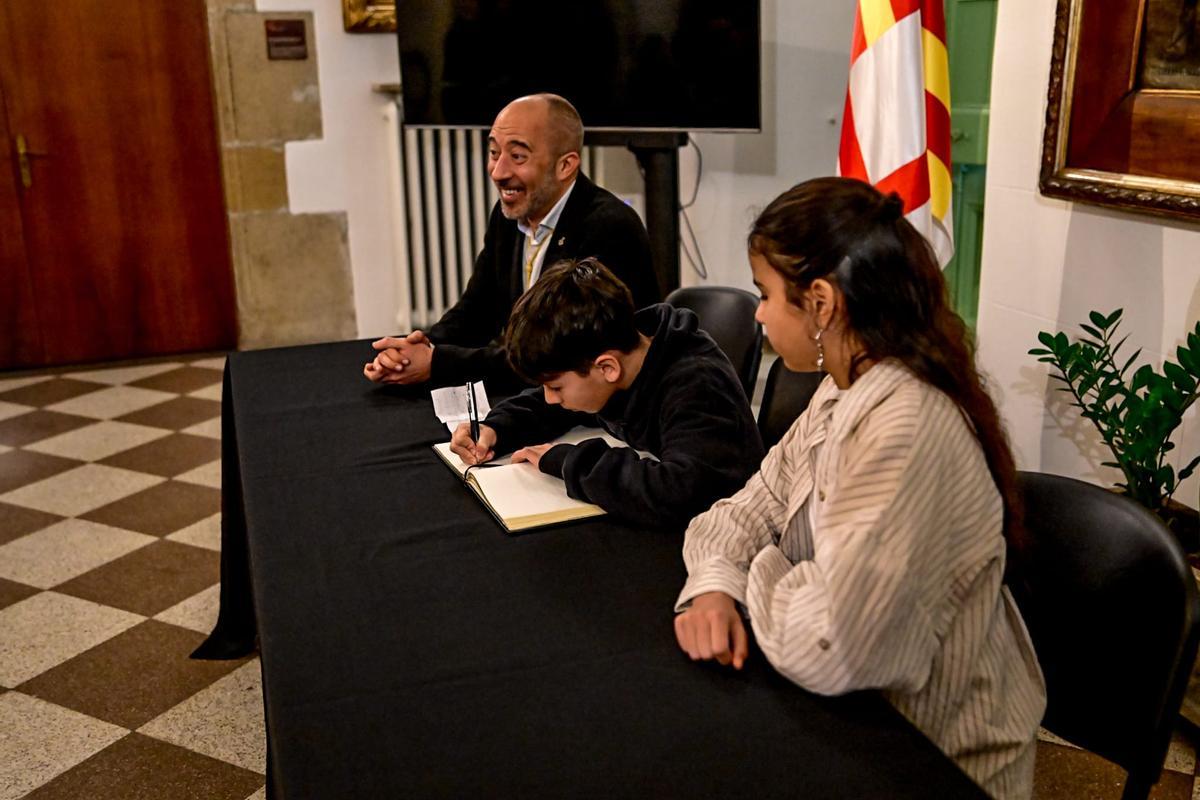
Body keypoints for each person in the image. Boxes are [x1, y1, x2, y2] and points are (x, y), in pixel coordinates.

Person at [671, 178, 1046, 799]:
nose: (758, 313)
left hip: (934, 756)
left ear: (821, 302)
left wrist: (755, 569)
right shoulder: (843, 387)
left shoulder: (905, 426)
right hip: (858, 715)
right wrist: (713, 585)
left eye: (766, 295)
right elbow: (741, 510)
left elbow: (837, 646)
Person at [363, 93, 658, 389]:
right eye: (494, 153)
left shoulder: (609, 228)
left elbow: (556, 354)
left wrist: (438, 363)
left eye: (518, 157)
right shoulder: (507, 217)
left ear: (565, 166)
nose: (498, 171)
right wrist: (417, 348)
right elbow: (477, 310)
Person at [449, 258, 763, 530]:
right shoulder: (613, 359)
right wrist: (496, 427)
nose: (549, 397)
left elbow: (679, 494)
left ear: (607, 368)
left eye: (556, 387)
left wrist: (568, 461)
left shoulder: (697, 385)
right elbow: (550, 407)